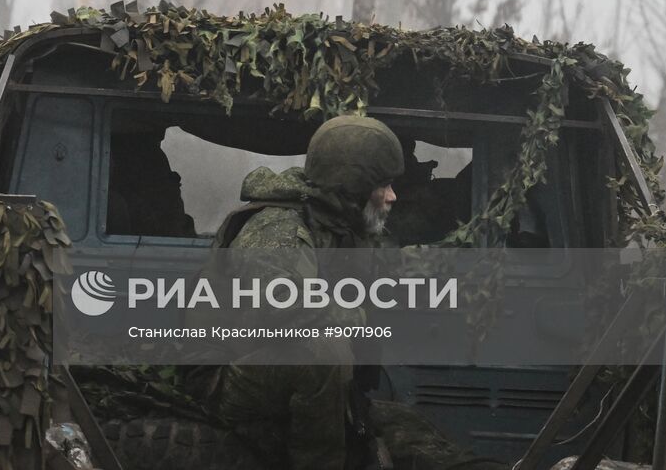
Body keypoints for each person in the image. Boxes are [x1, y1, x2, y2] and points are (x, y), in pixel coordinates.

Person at [203, 115, 503, 470]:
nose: (393, 196)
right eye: (384, 185)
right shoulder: (277, 227)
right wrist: (357, 314)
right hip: (223, 374)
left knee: (410, 430)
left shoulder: (340, 225)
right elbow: (280, 311)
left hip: (274, 372)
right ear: (353, 185)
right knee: (321, 353)